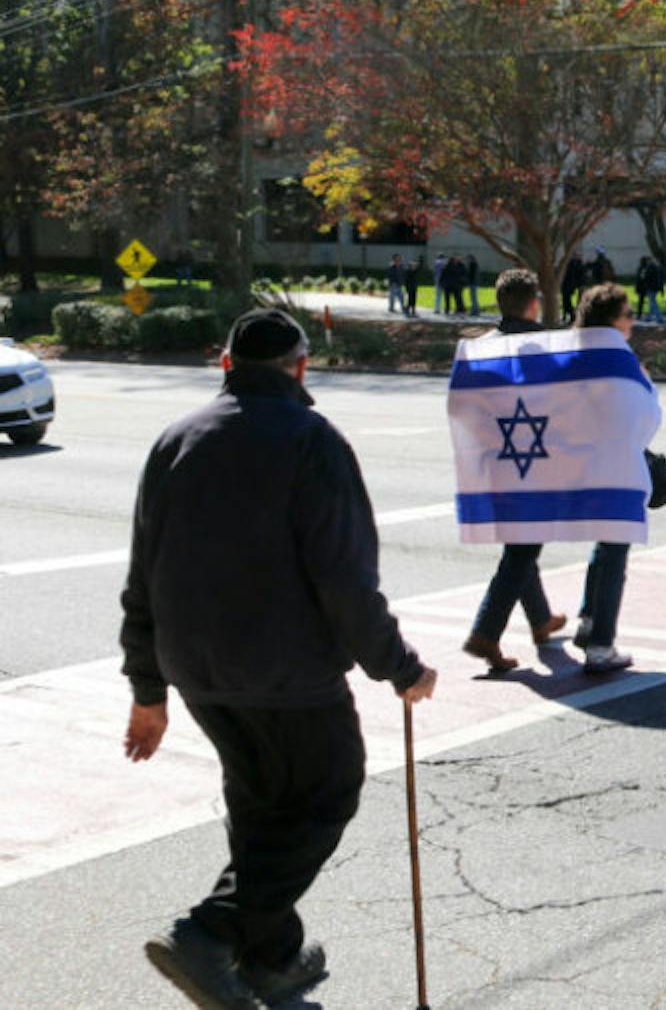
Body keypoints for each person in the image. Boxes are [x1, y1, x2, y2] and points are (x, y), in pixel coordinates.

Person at [121, 308, 437, 1009]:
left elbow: (142, 573)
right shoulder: (311, 440)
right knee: (327, 789)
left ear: (226, 364)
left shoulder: (175, 439)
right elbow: (345, 580)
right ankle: (210, 932)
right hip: (286, 670)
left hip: (197, 669)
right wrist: (400, 667)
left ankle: (272, 958)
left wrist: (149, 688)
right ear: (300, 366)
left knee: (262, 805)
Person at [462, 269, 571, 672]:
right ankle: (485, 633)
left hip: (493, 456)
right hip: (534, 457)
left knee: (519, 540)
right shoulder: (542, 347)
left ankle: (540, 620)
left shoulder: (481, 348)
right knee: (524, 546)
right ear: (533, 303)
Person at [567, 282, 656, 674]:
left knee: (602, 545)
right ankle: (602, 646)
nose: (632, 321)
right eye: (628, 314)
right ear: (612, 321)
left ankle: (588, 620)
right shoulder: (623, 361)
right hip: (619, 467)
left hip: (583, 467)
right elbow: (647, 415)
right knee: (615, 552)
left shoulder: (572, 354)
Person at [636, 255, 666, 324]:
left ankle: (659, 317)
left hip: (651, 287)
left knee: (653, 302)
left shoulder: (649, 268)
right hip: (656, 287)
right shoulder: (658, 268)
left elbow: (644, 277)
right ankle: (648, 317)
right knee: (652, 301)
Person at [561, 253, 586, 323]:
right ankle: (569, 315)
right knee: (567, 301)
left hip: (569, 286)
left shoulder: (573, 265)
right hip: (570, 286)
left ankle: (570, 315)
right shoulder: (576, 264)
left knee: (567, 302)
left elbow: (577, 276)